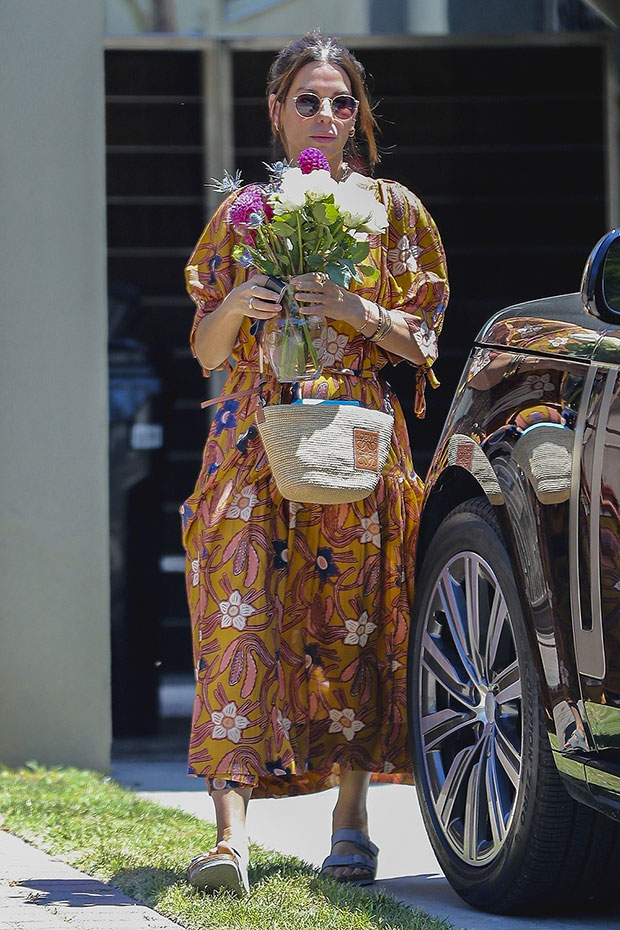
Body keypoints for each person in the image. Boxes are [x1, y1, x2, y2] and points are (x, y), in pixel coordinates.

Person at [181, 31, 449, 896]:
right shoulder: (247, 214)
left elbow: (424, 341)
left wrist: (355, 307)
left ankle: (352, 822)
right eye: (308, 100)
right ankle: (230, 839)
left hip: (354, 433)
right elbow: (203, 348)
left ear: (358, 114)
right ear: (276, 111)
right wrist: (238, 303)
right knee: (238, 612)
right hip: (253, 434)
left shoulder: (394, 210)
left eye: (342, 102)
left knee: (351, 622)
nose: (327, 116)